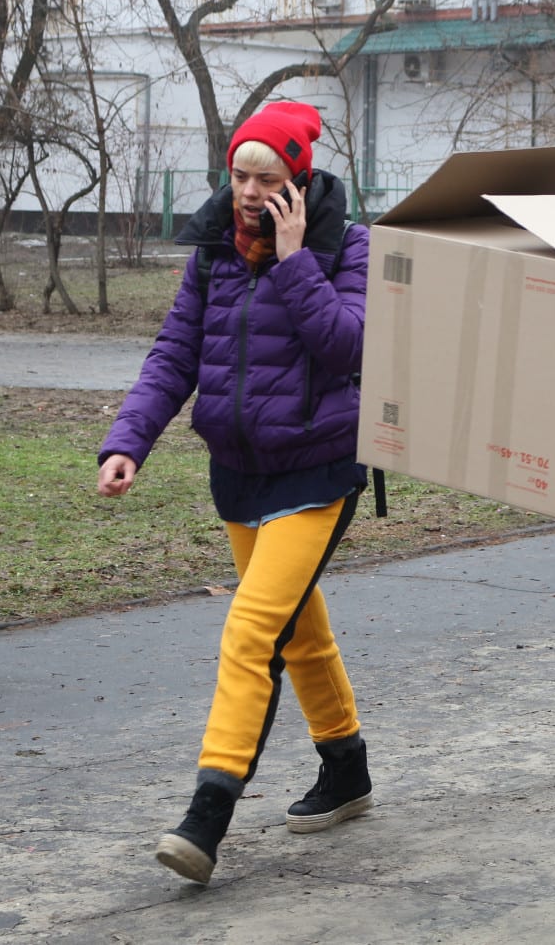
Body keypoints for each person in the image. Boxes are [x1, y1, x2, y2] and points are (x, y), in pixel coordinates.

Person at [96, 101, 373, 885]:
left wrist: (293, 262)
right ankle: (346, 766)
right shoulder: (214, 252)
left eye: (268, 178)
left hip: (318, 469)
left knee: (252, 629)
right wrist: (128, 442)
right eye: (240, 175)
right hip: (238, 474)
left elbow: (348, 342)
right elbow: (175, 353)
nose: (250, 192)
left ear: (300, 178)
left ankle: (208, 810)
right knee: (297, 629)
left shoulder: (348, 246)